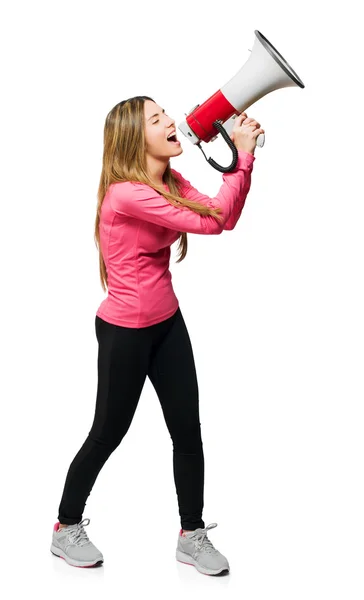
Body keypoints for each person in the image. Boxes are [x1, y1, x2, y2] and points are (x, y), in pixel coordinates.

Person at [50, 96, 264, 575]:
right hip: (124, 331)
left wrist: (238, 158)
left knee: (188, 430)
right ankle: (65, 529)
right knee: (108, 431)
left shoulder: (165, 179)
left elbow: (220, 213)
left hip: (167, 323)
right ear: (134, 137)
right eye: (157, 119)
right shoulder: (126, 193)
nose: (172, 120)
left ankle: (192, 535)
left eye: (165, 113)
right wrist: (243, 158)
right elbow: (213, 221)